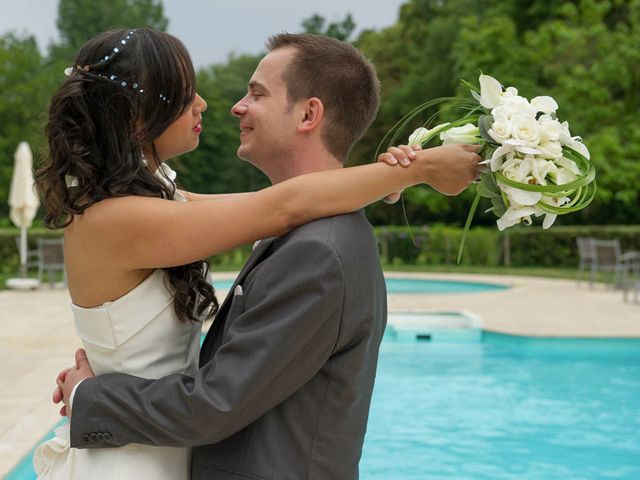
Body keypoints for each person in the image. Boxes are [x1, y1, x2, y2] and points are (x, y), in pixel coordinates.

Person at [46, 31, 480, 480]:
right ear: (137, 117)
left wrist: (389, 180)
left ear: (310, 113)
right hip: (130, 458)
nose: (209, 104)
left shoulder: (157, 207)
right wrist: (420, 170)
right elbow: (281, 206)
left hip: (153, 442)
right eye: (182, 92)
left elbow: (275, 205)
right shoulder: (120, 219)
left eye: (256, 93)